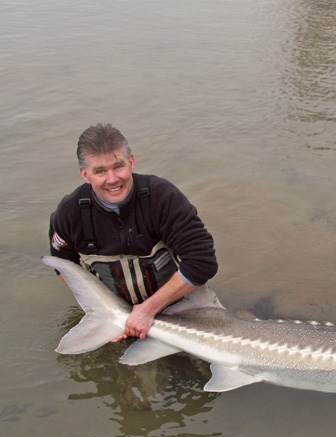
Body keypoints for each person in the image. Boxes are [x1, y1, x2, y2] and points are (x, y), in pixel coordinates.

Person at [49, 123, 218, 341]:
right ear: (85, 174)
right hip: (122, 317)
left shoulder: (161, 197)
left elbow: (203, 262)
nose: (112, 179)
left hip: (183, 305)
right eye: (100, 171)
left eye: (118, 166)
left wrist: (148, 309)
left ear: (131, 162)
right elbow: (64, 267)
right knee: (132, 373)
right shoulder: (69, 213)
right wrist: (108, 312)